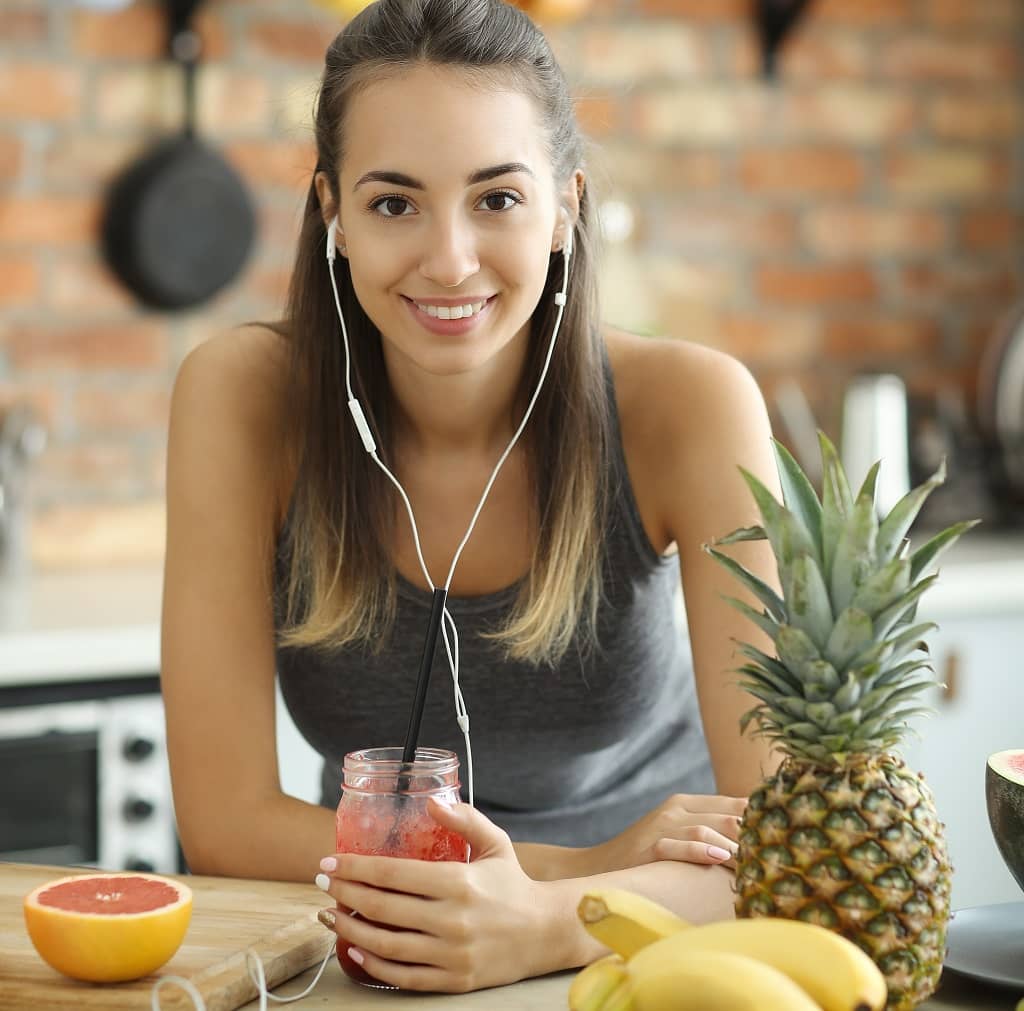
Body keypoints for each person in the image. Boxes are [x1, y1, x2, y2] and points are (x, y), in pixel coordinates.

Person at [161, 0, 784, 993]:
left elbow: (789, 840)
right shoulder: (241, 400)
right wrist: (579, 874)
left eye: (496, 199)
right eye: (394, 203)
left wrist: (555, 924)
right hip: (389, 940)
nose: (448, 260)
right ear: (331, 211)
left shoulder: (691, 406)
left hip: (659, 948)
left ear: (565, 205)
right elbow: (226, 826)